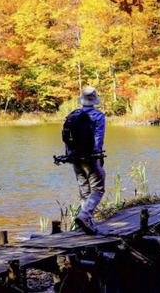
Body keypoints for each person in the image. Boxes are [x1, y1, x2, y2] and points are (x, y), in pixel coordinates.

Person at [68, 86, 106, 234]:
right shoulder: (98, 116)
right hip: (90, 156)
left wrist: (71, 156)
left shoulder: (72, 116)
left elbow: (67, 139)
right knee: (98, 189)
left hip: (74, 156)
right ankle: (85, 215)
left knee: (84, 190)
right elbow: (98, 138)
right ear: (94, 100)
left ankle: (87, 224)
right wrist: (97, 156)